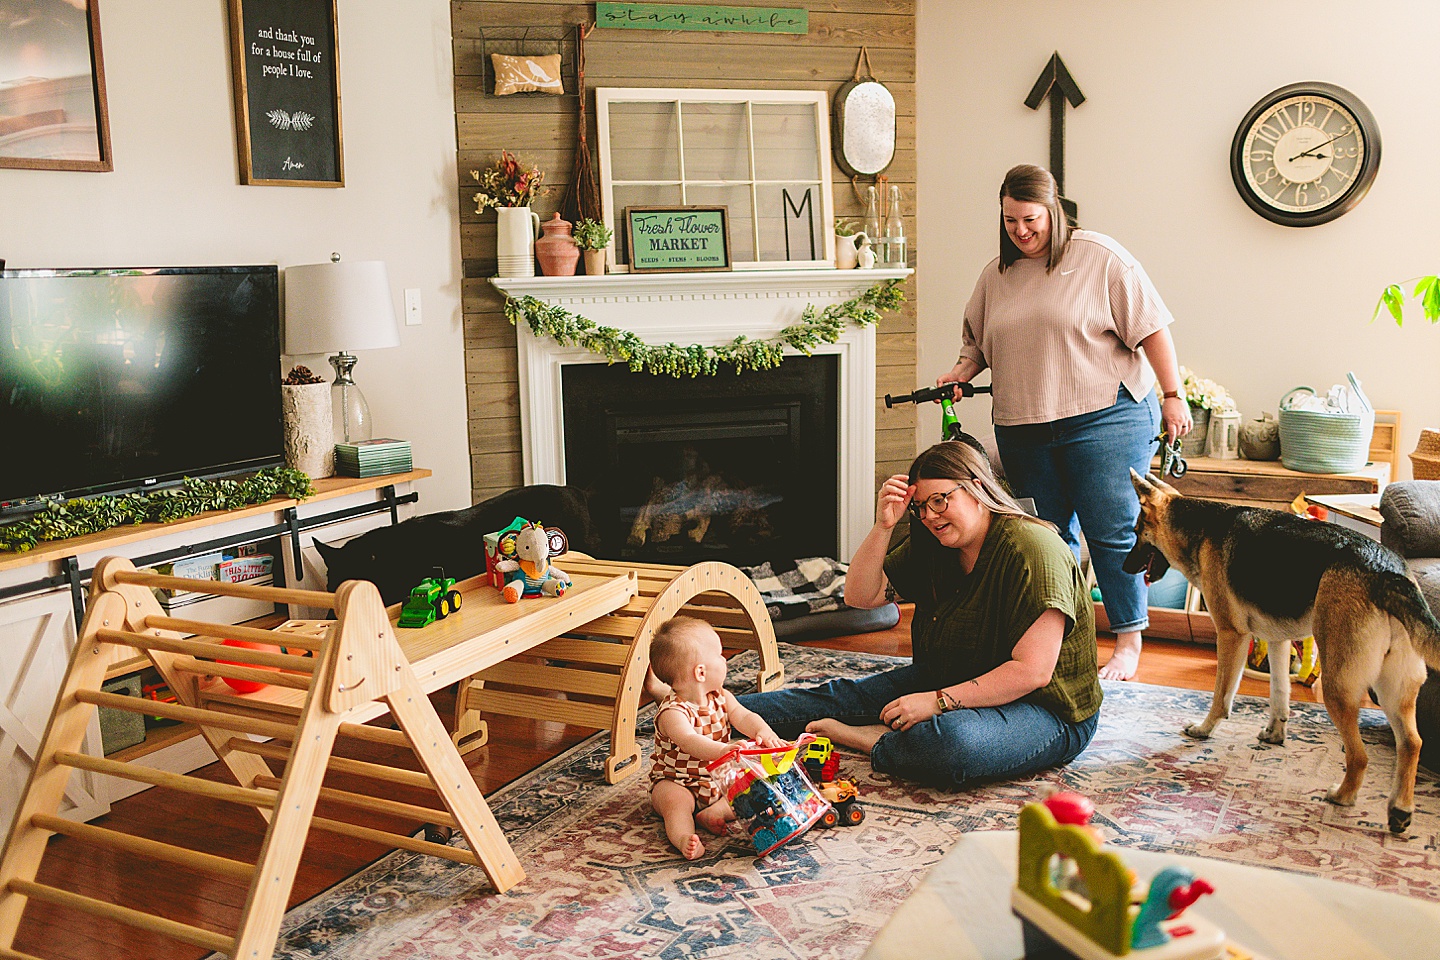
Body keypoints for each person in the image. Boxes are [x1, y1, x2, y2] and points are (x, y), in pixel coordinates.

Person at [938, 164, 1192, 681]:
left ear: (1052, 210)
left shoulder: (1100, 258)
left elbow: (1152, 330)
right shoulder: (997, 276)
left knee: (1114, 530)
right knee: (1044, 538)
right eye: (1009, 221)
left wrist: (1173, 395)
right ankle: (1057, 643)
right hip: (1025, 423)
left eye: (1029, 220)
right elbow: (978, 348)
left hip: (1107, 416)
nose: (1020, 231)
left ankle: (1127, 642)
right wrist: (960, 374)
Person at [735, 440, 1102, 790]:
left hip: (1048, 709)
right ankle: (713, 709)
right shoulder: (937, 541)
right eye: (921, 506)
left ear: (977, 489)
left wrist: (937, 701)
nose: (929, 515)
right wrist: (884, 526)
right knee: (840, 697)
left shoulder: (1034, 549)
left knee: (953, 744)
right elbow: (861, 596)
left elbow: (1032, 672)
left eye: (940, 500)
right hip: (952, 674)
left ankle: (871, 738)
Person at [647, 615, 783, 860]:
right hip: (677, 781)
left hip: (716, 780)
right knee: (675, 804)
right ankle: (683, 838)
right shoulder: (672, 713)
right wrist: (722, 751)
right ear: (700, 672)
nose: (724, 659)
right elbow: (690, 741)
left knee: (751, 790)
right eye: (720, 655)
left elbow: (744, 715)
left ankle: (712, 813)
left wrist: (763, 731)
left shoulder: (720, 696)